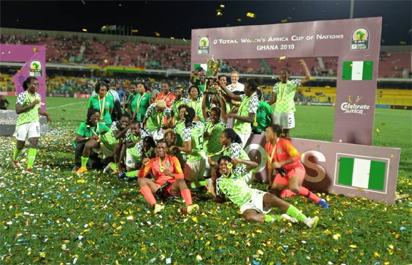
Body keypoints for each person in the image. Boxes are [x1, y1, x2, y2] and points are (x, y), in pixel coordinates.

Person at [206, 156, 319, 228]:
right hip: (244, 204)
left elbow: (254, 165)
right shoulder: (219, 182)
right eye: (221, 165)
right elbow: (220, 198)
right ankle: (282, 218)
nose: (224, 166)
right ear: (219, 168)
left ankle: (306, 220)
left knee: (274, 199)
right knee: (250, 218)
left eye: (226, 164)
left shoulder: (237, 172)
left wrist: (240, 160)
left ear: (231, 165)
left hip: (253, 195)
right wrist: (212, 193)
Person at [265, 124, 329, 208]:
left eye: (268, 132)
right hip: (283, 172)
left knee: (294, 187)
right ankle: (291, 192)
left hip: (295, 168)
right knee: (274, 193)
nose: (265, 134)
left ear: (274, 134)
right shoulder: (268, 145)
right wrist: (269, 180)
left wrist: (281, 163)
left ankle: (318, 200)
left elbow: (297, 156)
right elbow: (269, 163)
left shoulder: (284, 143)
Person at [137, 139, 199, 214]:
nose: (160, 150)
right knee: (141, 180)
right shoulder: (153, 161)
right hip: (158, 187)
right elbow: (141, 176)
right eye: (158, 148)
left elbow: (181, 176)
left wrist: (171, 174)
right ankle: (155, 205)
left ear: (166, 149)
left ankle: (189, 205)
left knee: (181, 181)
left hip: (171, 186)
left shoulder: (173, 159)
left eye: (163, 148)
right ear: (156, 149)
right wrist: (143, 166)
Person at [12, 76, 52, 173]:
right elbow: (18, 110)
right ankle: (14, 159)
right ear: (28, 84)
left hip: (34, 122)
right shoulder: (22, 95)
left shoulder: (38, 96)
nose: (36, 86)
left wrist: (46, 114)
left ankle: (29, 168)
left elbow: (37, 109)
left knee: (34, 142)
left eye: (37, 84)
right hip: (23, 123)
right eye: (34, 84)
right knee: (20, 145)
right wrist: (32, 104)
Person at [267, 59, 311, 137]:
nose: (282, 75)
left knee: (286, 133)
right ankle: (278, 148)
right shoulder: (276, 85)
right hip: (277, 112)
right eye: (281, 74)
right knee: (277, 133)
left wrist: (304, 65)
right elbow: (273, 100)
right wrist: (263, 104)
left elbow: (308, 78)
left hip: (288, 112)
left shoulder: (293, 83)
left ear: (288, 75)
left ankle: (285, 148)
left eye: (284, 74)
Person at [170, 107, 206, 188]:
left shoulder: (187, 130)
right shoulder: (200, 124)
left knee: (186, 184)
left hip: (193, 159)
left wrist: (176, 147)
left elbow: (188, 149)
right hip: (203, 156)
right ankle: (206, 185)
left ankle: (208, 184)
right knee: (199, 179)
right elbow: (205, 134)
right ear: (194, 116)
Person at [220, 79, 259, 147]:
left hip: (243, 131)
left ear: (250, 88)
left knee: (237, 151)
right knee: (231, 149)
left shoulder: (254, 99)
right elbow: (233, 96)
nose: (244, 89)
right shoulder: (246, 96)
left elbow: (250, 119)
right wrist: (222, 88)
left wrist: (234, 115)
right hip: (237, 128)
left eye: (245, 87)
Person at [74, 109, 110, 174]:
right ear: (89, 117)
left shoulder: (101, 126)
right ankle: (79, 165)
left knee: (95, 166)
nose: (96, 118)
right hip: (84, 146)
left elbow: (110, 133)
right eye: (93, 116)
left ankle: (90, 162)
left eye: (98, 116)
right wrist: (90, 138)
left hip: (96, 148)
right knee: (79, 145)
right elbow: (78, 139)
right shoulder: (83, 125)